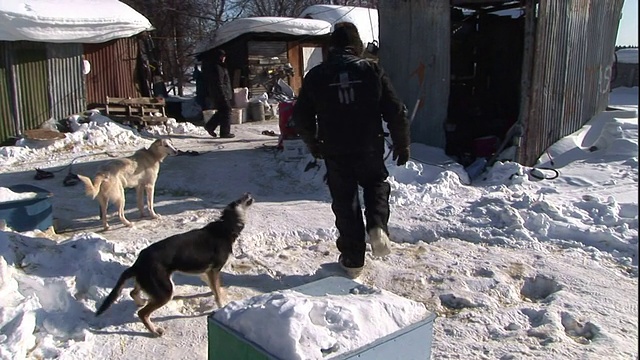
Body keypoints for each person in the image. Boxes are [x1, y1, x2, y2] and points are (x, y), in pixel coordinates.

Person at [292, 22, 411, 278]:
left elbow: (300, 117)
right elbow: (396, 110)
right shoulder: (371, 70)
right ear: (356, 46)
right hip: (369, 145)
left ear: (331, 47)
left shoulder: (316, 75)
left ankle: (353, 260)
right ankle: (377, 227)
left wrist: (313, 143)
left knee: (345, 202)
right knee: (375, 183)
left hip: (335, 147)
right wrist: (402, 143)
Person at [202, 49, 235, 138]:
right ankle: (225, 132)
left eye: (224, 56)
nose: (224, 58)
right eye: (222, 56)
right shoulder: (217, 67)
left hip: (220, 92)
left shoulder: (221, 66)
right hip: (220, 93)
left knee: (222, 111)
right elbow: (219, 83)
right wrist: (223, 94)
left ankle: (210, 126)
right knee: (227, 111)